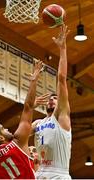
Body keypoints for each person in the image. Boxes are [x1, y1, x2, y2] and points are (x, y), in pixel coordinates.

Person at [0, 61, 49, 179]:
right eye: (3, 129)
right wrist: (34, 80)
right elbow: (27, 107)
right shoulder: (17, 142)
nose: (8, 129)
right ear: (0, 137)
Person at [32, 24, 72, 179]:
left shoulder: (61, 116)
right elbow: (18, 136)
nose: (51, 100)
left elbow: (61, 79)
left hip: (58, 174)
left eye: (55, 98)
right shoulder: (37, 123)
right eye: (49, 98)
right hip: (40, 174)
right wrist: (30, 105)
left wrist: (62, 49)